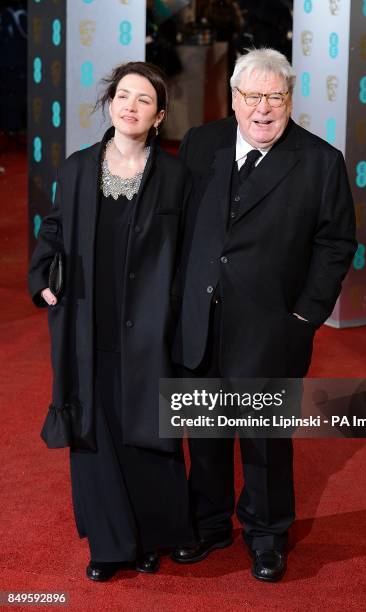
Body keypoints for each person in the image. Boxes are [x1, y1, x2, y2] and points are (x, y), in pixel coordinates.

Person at [171, 48, 356, 581]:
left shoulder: (321, 161)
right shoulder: (200, 144)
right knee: (202, 433)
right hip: (198, 322)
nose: (263, 108)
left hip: (272, 328)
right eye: (252, 96)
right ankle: (207, 525)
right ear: (233, 99)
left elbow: (336, 243)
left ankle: (267, 533)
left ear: (289, 100)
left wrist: (303, 317)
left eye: (275, 96)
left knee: (265, 441)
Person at [28, 61, 194, 581]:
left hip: (148, 326)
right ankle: (108, 544)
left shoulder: (175, 176)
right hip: (86, 321)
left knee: (144, 430)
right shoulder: (78, 167)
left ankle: (150, 539)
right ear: (110, 103)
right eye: (123, 95)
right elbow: (53, 230)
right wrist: (42, 278)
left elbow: (188, 252)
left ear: (160, 115)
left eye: (144, 100)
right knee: (94, 430)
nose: (131, 106)